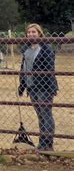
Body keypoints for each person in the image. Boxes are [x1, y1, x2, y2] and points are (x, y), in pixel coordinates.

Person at [18, 23, 58, 151]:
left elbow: (49, 68)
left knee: (46, 114)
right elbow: (23, 68)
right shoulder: (26, 49)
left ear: (39, 33)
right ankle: (42, 142)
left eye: (33, 32)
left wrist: (45, 84)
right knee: (40, 115)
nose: (31, 34)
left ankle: (48, 144)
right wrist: (22, 85)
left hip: (44, 87)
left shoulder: (45, 48)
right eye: (29, 32)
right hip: (32, 87)